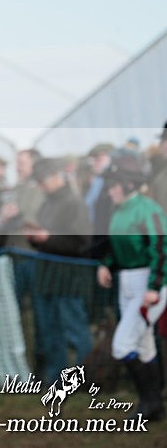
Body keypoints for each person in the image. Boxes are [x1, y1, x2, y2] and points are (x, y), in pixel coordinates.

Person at [97, 153, 166, 420]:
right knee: (145, 346)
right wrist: (106, 264)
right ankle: (154, 406)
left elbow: (161, 250)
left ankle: (149, 402)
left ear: (128, 184)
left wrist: (154, 287)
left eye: (113, 183)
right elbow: (117, 247)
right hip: (128, 282)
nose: (109, 189)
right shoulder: (120, 211)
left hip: (149, 284)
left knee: (122, 346)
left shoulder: (148, 209)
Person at [26, 158, 93, 384]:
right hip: (48, 273)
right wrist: (36, 239)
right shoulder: (47, 203)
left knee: (74, 327)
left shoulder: (74, 203)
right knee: (50, 328)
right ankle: (56, 377)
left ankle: (85, 377)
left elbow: (82, 242)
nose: (41, 186)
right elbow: (48, 239)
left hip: (70, 275)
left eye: (43, 181)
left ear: (56, 177)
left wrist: (48, 238)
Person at [0, 149, 46, 374]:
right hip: (15, 256)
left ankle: (42, 364)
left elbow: (35, 220)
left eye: (22, 162)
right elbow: (0, 223)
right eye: (17, 162)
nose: (18, 166)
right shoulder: (14, 189)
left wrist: (17, 215)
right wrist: (6, 217)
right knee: (15, 313)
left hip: (34, 257)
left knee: (39, 313)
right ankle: (22, 365)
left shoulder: (40, 189)